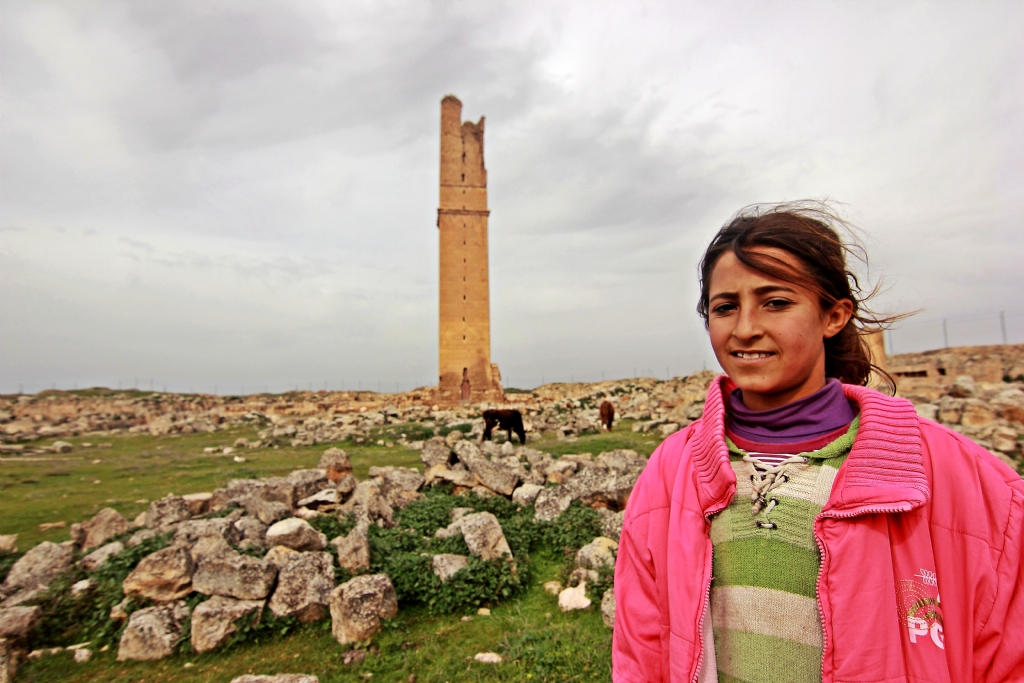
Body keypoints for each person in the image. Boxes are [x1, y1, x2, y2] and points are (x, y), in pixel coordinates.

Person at [612, 203, 1024, 683]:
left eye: (776, 302)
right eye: (726, 307)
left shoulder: (965, 479)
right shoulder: (670, 472)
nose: (745, 328)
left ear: (833, 315)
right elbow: (640, 649)